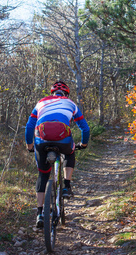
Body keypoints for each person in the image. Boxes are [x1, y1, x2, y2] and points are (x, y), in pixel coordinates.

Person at [25, 80, 90, 228]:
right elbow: (85, 128)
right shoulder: (71, 103)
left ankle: (40, 213)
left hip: (41, 140)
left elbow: (29, 126)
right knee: (70, 151)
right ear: (66, 93)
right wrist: (84, 144)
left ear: (52, 93)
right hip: (63, 139)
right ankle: (66, 185)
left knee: (42, 174)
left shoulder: (41, 102)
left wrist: (30, 146)